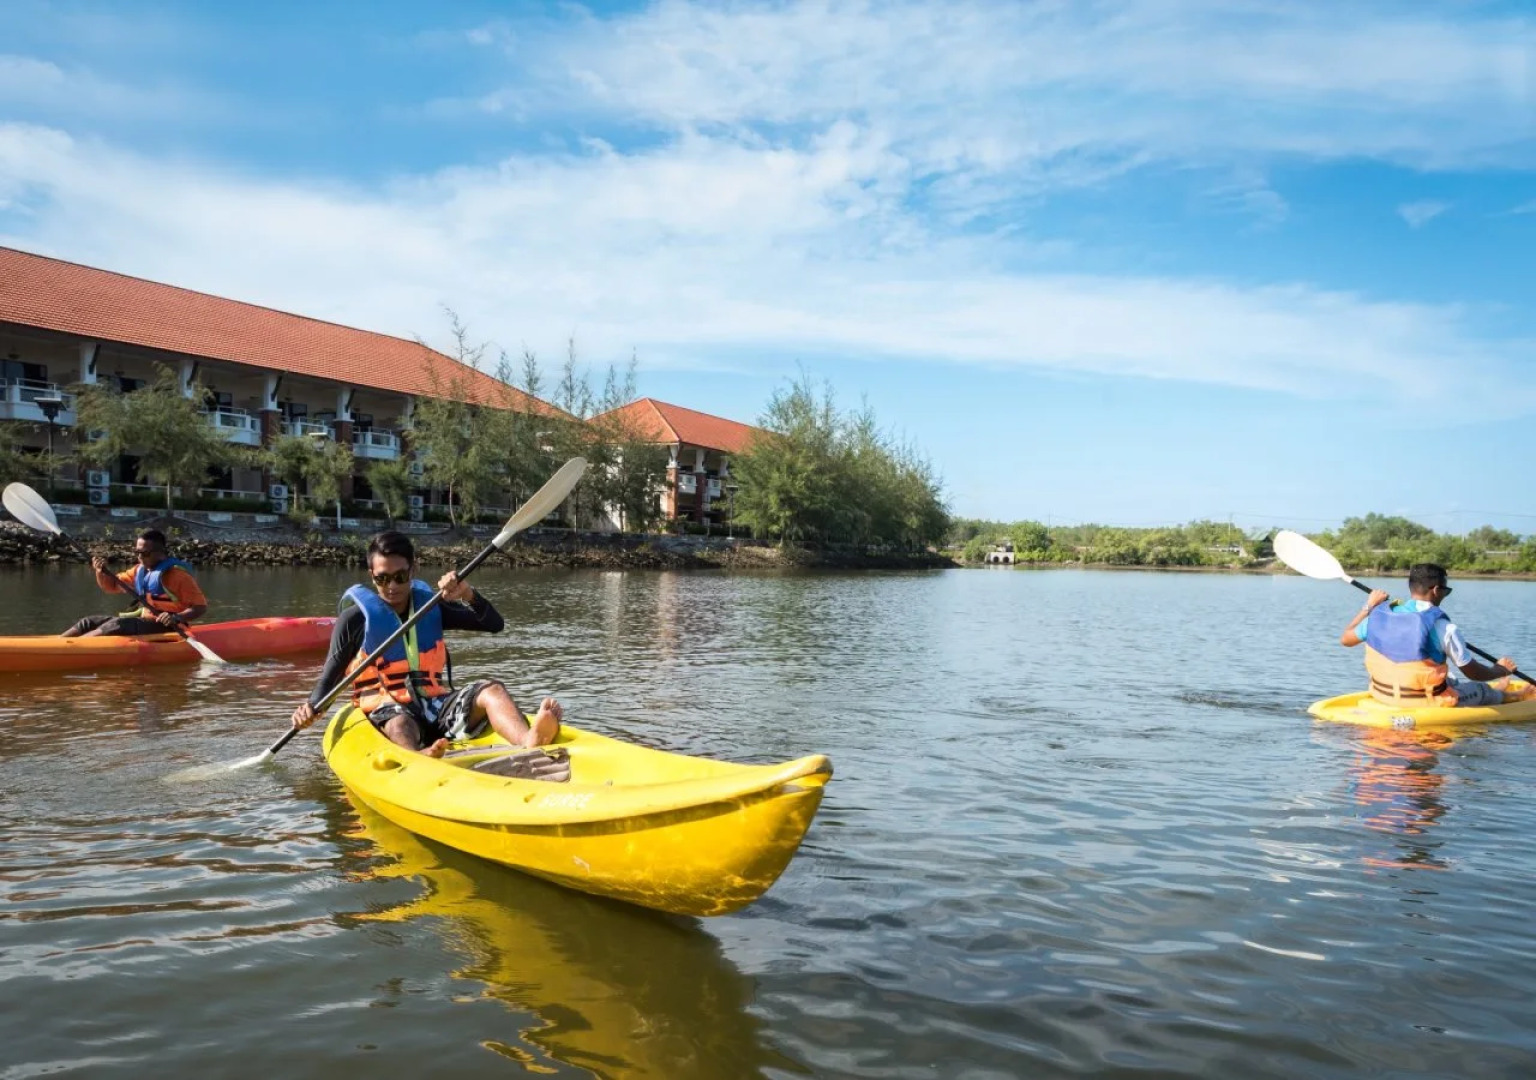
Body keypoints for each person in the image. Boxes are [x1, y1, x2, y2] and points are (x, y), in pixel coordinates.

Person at [289, 529, 562, 757]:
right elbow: (330, 678)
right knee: (398, 721)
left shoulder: (430, 607)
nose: (392, 585)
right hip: (388, 707)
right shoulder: (354, 620)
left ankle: (529, 740)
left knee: (492, 689)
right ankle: (418, 758)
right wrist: (311, 709)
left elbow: (493, 624)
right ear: (371, 574)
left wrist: (467, 593)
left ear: (413, 569)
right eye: (382, 578)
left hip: (436, 706)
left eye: (400, 576)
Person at [1339, 562, 1532, 708]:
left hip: (1382, 695)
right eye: (1446, 590)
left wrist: (1369, 606)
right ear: (1436, 590)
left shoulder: (1379, 615)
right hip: (1423, 702)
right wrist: (1498, 670)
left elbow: (1346, 639)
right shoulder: (1444, 627)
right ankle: (1513, 696)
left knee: (1451, 679)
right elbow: (1472, 672)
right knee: (1479, 688)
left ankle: (1496, 689)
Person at [62, 528, 209, 638]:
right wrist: (100, 571)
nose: (139, 557)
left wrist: (176, 617)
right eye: (137, 552)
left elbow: (200, 607)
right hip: (145, 621)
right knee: (89, 621)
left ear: (160, 552)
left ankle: (73, 647)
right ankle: (60, 642)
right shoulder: (139, 570)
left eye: (144, 553)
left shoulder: (178, 575)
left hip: (170, 626)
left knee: (119, 624)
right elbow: (111, 587)